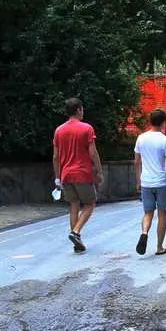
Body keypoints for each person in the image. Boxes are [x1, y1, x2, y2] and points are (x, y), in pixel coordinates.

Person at [52, 96, 103, 253]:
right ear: (78, 109)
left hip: (66, 174)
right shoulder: (86, 128)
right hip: (82, 173)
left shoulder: (59, 130)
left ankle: (76, 241)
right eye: (82, 109)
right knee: (90, 203)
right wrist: (99, 171)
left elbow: (55, 156)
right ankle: (76, 232)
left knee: (73, 205)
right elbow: (92, 153)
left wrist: (57, 177)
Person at [133, 107, 166, 256]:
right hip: (161, 182)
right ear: (163, 122)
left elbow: (137, 162)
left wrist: (138, 180)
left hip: (146, 182)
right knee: (162, 214)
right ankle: (159, 247)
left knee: (148, 213)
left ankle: (144, 232)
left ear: (150, 121)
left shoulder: (141, 138)